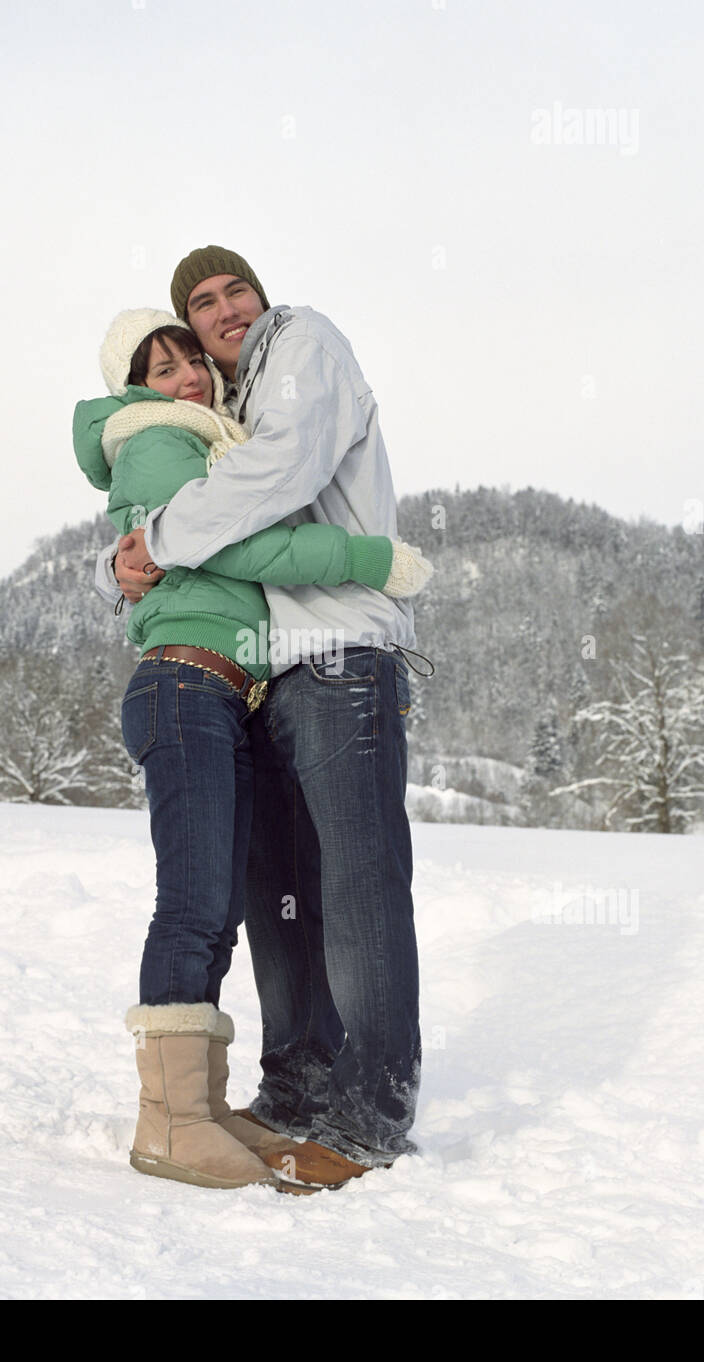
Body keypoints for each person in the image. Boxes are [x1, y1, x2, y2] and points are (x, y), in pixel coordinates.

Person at [95, 247, 430, 1191]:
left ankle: (368, 1116)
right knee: (280, 902)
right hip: (266, 678)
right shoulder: (218, 416)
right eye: (202, 303)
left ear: (261, 295)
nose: (225, 309)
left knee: (358, 892)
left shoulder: (303, 344)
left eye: (235, 288)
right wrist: (118, 562)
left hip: (339, 657)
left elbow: (275, 477)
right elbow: (154, 518)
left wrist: (154, 543)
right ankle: (296, 1089)